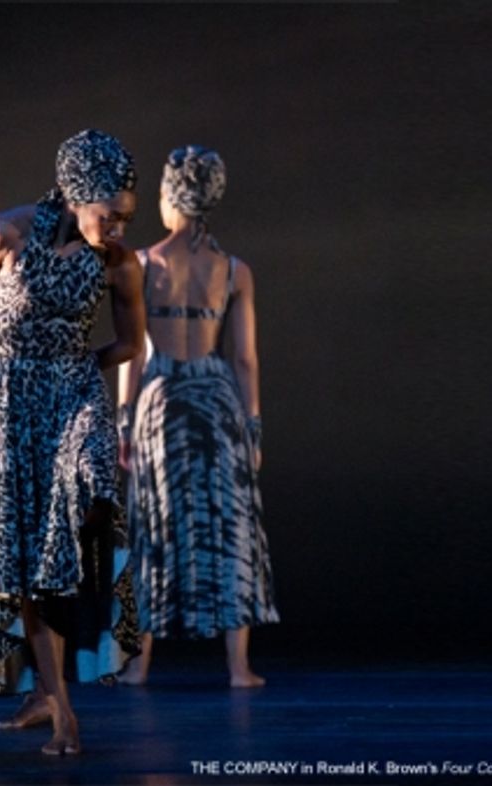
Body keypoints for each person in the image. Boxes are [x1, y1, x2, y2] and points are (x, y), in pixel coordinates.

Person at [0, 129, 146, 756]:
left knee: (83, 496)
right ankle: (59, 710)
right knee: (31, 564)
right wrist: (1, 375)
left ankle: (81, 609)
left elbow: (131, 345)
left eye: (125, 218)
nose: (116, 228)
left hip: (77, 395)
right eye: (108, 216)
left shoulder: (118, 263)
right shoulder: (4, 231)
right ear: (75, 195)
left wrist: (75, 367)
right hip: (15, 406)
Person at [116, 146, 279, 689]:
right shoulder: (233, 271)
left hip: (160, 401)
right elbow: (246, 360)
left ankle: (139, 665)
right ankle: (238, 670)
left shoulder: (139, 266)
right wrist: (253, 429)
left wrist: (123, 423)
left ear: (169, 198)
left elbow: (132, 353)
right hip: (215, 399)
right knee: (229, 525)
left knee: (154, 526)